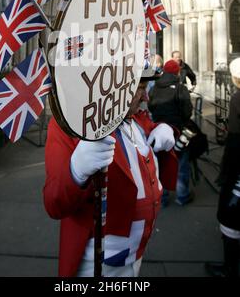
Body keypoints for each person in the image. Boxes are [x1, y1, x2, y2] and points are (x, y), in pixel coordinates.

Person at [43, 75, 178, 277]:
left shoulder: (135, 116)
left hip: (137, 253)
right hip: (99, 263)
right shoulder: (69, 125)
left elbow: (149, 130)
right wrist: (76, 171)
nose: (146, 98)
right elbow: (54, 203)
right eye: (140, 88)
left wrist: (165, 128)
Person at [205, 58, 240, 277]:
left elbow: (235, 141)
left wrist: (226, 171)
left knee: (231, 215)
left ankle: (230, 269)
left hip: (238, 170)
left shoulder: (237, 98)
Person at [148, 59, 194, 206]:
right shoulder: (181, 88)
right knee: (182, 163)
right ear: (177, 72)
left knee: (160, 163)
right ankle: (182, 196)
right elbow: (187, 111)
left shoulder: (155, 87)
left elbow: (150, 106)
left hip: (158, 131)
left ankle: (163, 198)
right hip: (178, 131)